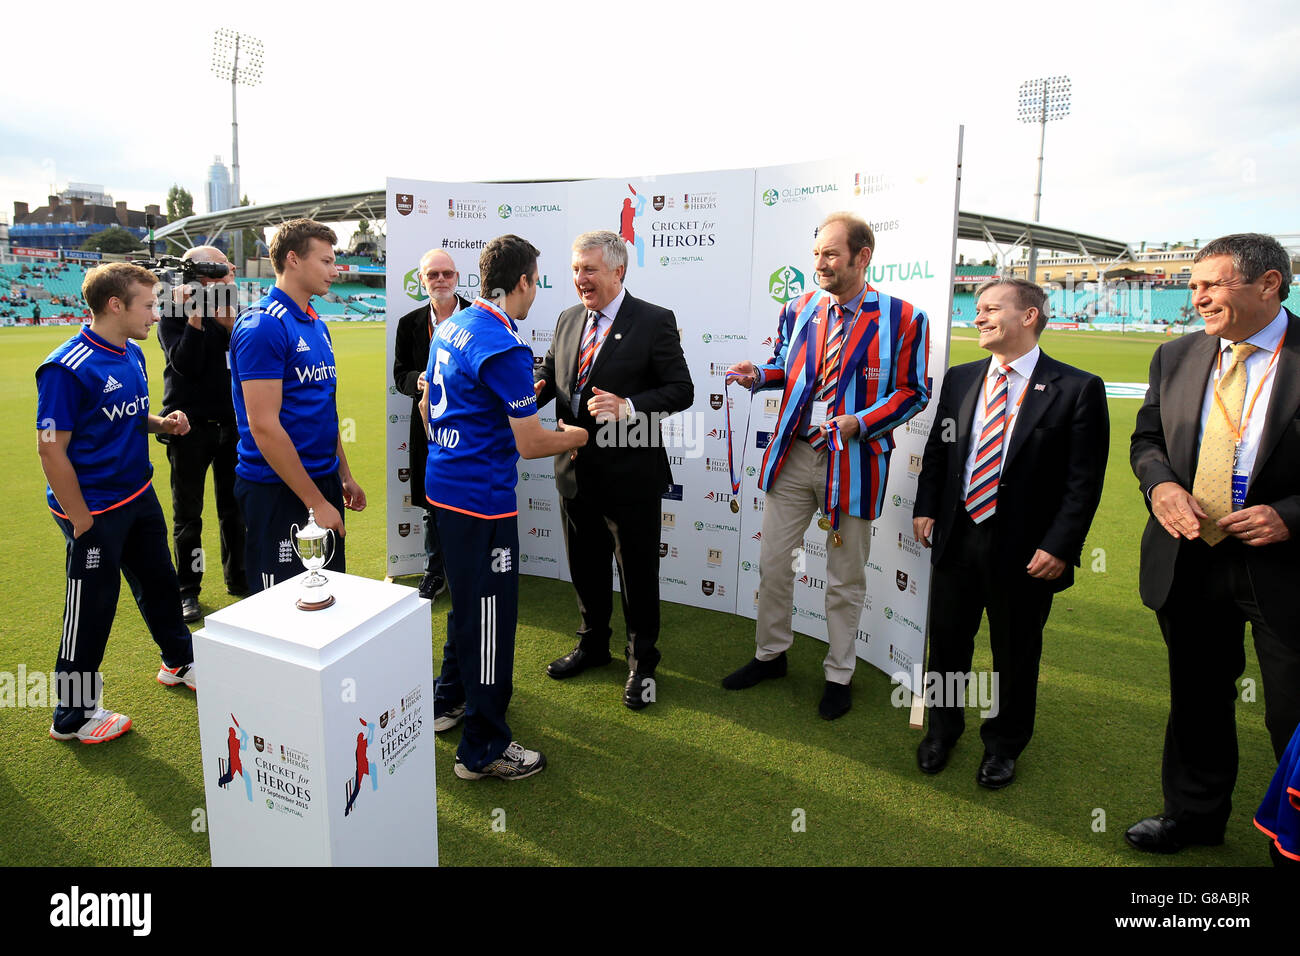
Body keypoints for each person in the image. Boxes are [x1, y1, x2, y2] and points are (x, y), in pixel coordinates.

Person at [1127, 233, 1300, 855]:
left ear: (1268, 284)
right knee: (1198, 695)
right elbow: (1146, 441)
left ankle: (1294, 831)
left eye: (1212, 283)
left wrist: (1291, 515)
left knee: (1291, 711)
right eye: (1193, 283)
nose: (1197, 295)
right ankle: (1193, 816)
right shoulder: (1176, 356)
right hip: (1190, 554)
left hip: (1284, 564)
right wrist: (1163, 489)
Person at [722, 212, 929, 719]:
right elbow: (784, 366)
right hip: (794, 455)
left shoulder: (905, 318)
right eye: (816, 253)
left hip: (855, 461)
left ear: (863, 257)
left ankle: (839, 673)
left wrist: (858, 422)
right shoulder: (798, 307)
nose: (820, 263)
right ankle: (770, 655)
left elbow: (914, 392)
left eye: (831, 254)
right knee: (773, 565)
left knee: (844, 578)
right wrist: (759, 375)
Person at [911, 277, 1108, 788]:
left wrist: (1060, 546)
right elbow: (939, 449)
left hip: (1026, 550)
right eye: (977, 309)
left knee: (1015, 652)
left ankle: (1004, 743)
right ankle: (942, 728)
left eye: (991, 308)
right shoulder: (960, 378)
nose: (978, 317)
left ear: (1029, 317)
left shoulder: (1077, 388)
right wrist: (927, 506)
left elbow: (1082, 482)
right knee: (949, 643)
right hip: (958, 536)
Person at [421, 234, 587, 780]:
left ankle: (447, 702)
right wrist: (575, 436)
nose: (537, 291)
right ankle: (484, 749)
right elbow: (531, 443)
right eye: (536, 281)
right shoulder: (502, 343)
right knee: (491, 619)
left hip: (444, 487)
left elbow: (429, 407)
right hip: (482, 503)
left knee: (467, 607)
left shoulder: (452, 325)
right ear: (521, 282)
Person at [36, 262, 197, 744]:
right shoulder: (66, 368)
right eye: (148, 305)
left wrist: (160, 424)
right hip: (95, 512)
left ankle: (179, 660)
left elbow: (122, 415)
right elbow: (50, 447)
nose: (156, 313)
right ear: (115, 305)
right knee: (93, 605)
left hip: (138, 495)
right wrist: (82, 519)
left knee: (160, 583)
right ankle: (72, 714)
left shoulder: (131, 351)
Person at [534, 230, 693, 710]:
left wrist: (630, 406)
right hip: (575, 469)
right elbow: (549, 374)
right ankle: (593, 645)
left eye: (590, 270)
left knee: (638, 573)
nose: (580, 279)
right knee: (584, 565)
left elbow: (681, 389)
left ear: (618, 271)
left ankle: (642, 663)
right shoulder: (566, 319)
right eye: (576, 269)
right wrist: (524, 392)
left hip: (631, 474)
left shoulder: (653, 320)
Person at [230, 219, 366, 594]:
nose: (334, 270)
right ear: (292, 259)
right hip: (277, 488)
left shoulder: (316, 324)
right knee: (281, 604)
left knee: (325, 591)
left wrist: (343, 475)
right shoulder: (263, 326)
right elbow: (264, 426)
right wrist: (314, 502)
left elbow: (322, 407)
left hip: (319, 480)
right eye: (325, 261)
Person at [156, 246, 247, 623]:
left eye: (225, 271)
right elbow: (186, 366)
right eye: (213, 272)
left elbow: (245, 361)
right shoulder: (173, 311)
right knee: (188, 516)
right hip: (188, 428)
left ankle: (239, 579)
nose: (221, 279)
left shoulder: (238, 312)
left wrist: (228, 325)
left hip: (232, 425)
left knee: (234, 509)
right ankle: (187, 590)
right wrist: (196, 315)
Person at [392, 249, 471, 600]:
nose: (440, 280)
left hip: (470, 425)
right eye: (433, 275)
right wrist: (417, 379)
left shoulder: (477, 316)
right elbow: (399, 375)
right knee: (430, 505)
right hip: (425, 427)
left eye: (447, 274)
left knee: (469, 498)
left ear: (457, 278)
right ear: (422, 280)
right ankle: (434, 572)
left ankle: (469, 569)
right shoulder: (409, 323)